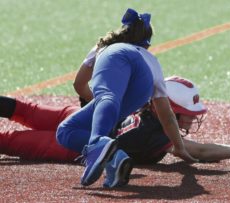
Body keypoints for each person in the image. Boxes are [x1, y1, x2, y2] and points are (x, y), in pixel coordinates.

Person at [0, 76, 230, 187]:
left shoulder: (148, 112)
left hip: (77, 116)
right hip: (71, 143)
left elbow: (193, 149)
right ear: (170, 110)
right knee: (9, 141)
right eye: (187, 114)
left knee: (26, 110)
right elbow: (192, 150)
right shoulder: (153, 133)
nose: (191, 120)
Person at [56, 8, 197, 188]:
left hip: (115, 64)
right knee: (65, 130)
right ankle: (116, 160)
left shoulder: (107, 47)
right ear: (147, 43)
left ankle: (98, 142)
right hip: (142, 87)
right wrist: (179, 147)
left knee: (102, 100)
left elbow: (79, 84)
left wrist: (100, 103)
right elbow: (166, 114)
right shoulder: (151, 60)